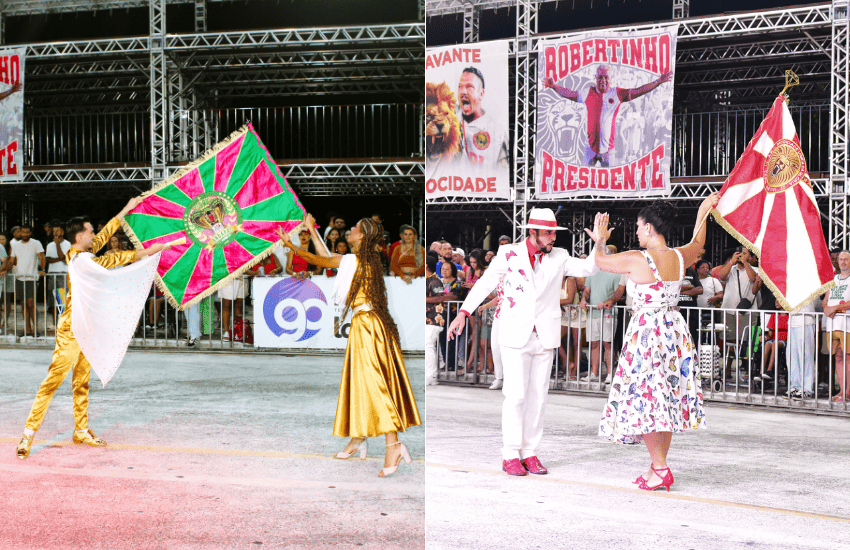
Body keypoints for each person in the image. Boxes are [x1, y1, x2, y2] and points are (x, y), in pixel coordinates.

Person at [446, 207, 607, 476]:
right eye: (547, 233)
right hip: (514, 333)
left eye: (554, 232)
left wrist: (598, 242)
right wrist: (463, 312)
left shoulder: (561, 256)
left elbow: (589, 267)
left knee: (538, 398)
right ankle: (510, 453)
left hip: (545, 335)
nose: (553, 237)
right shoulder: (509, 254)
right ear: (532, 232)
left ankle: (530, 452)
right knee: (516, 395)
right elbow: (485, 283)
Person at [16, 199, 171, 459]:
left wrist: (124, 210)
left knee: (82, 382)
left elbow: (105, 237)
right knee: (52, 382)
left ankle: (81, 431)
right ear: (79, 235)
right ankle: (28, 434)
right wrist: (146, 252)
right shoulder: (80, 260)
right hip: (71, 330)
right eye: (90, 231)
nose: (94, 235)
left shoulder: (81, 252)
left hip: (88, 326)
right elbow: (111, 259)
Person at [276, 214, 421, 477]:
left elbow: (320, 259)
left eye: (354, 229)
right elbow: (330, 256)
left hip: (367, 326)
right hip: (366, 325)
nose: (350, 230)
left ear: (362, 236)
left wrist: (290, 245)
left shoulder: (356, 260)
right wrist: (310, 228)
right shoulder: (360, 260)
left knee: (376, 385)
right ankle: (359, 438)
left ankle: (394, 445)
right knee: (361, 383)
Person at [595, 195, 716, 491]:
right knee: (668, 398)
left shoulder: (638, 259)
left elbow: (600, 262)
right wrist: (703, 210)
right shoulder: (678, 256)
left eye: (638, 226)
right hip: (673, 330)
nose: (636, 232)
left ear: (649, 228)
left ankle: (660, 468)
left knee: (647, 399)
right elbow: (699, 244)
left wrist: (599, 240)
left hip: (647, 332)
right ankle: (656, 467)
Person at [543, 65, 673, 166]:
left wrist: (657, 82)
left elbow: (638, 91)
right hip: (590, 148)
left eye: (606, 77)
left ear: (610, 78)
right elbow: (570, 94)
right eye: (600, 77)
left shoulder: (617, 93)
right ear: (596, 78)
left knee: (610, 185)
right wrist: (554, 86)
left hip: (608, 151)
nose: (603, 80)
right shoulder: (588, 92)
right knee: (585, 185)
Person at [456, 67, 509, 171]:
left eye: (469, 87)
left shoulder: (497, 131)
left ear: (481, 93)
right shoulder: (449, 120)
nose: (463, 92)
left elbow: (503, 171)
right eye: (460, 87)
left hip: (481, 186)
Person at [580, 268, 625, 385]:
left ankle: (610, 374)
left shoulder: (615, 273)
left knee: (607, 344)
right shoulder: (592, 273)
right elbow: (586, 291)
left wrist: (607, 301)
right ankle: (594, 374)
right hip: (592, 313)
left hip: (608, 314)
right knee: (594, 344)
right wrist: (584, 299)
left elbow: (618, 293)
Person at [823, 250, 850, 401]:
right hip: (833, 325)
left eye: (846, 259)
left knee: (848, 357)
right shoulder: (833, 280)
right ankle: (842, 390)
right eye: (841, 259)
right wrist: (827, 308)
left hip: (847, 325)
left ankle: (848, 391)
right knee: (838, 357)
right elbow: (825, 300)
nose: (843, 262)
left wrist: (833, 308)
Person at [10, 225, 46, 337]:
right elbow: (12, 260)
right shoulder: (15, 245)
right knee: (23, 304)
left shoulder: (36, 243)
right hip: (20, 277)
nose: (25, 234)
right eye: (23, 232)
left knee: (31, 304)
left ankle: (36, 329)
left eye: (27, 232)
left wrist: (42, 270)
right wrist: (4, 270)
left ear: (30, 233)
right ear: (20, 233)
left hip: (31, 277)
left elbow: (42, 257)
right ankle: (28, 330)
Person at [44, 220, 71, 328]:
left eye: (58, 230)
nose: (55, 233)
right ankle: (54, 323)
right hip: (52, 273)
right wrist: (59, 258)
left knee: (63, 299)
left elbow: (64, 259)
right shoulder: (50, 245)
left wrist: (57, 245)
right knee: (52, 300)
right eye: (54, 231)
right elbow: (48, 260)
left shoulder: (67, 244)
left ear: (63, 232)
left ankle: (64, 322)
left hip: (63, 273)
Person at [756, 298, 788, 384]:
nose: (776, 302)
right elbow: (770, 335)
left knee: (774, 343)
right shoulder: (774, 316)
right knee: (767, 344)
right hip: (774, 339)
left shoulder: (789, 316)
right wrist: (765, 337)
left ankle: (769, 370)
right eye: (775, 300)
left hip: (784, 340)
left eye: (779, 300)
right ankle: (761, 372)